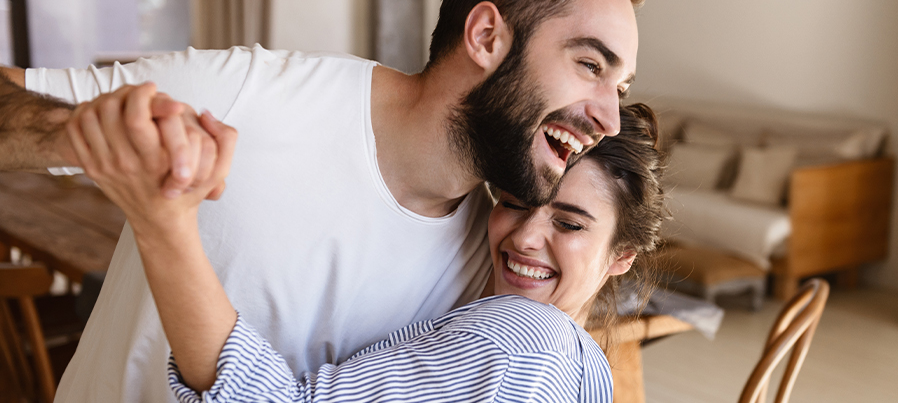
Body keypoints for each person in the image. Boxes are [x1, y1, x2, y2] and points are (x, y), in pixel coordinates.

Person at [0, 0, 648, 401]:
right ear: (486, 36)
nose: (607, 115)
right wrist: (89, 137)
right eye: (589, 63)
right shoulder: (252, 91)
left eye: (619, 87)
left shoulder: (501, 252)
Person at [69, 98, 666, 402]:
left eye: (569, 224)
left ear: (623, 255)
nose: (523, 237)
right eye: (512, 200)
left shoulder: (523, 338)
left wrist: (165, 224)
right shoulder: (589, 371)